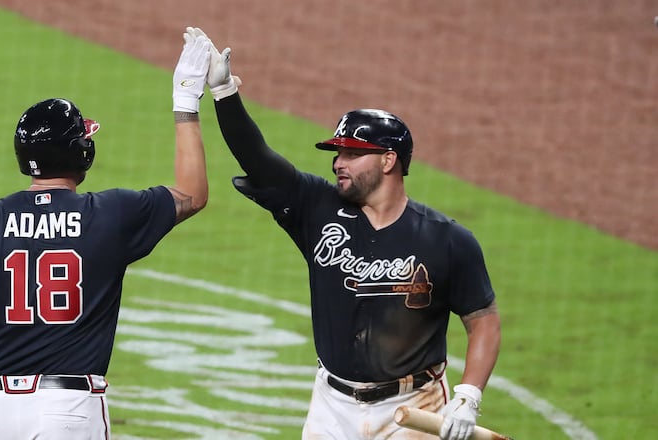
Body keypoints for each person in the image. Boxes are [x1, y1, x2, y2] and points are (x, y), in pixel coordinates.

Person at [193, 28, 502, 440]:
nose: (339, 162)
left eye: (353, 154)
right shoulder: (316, 209)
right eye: (338, 153)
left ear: (389, 160)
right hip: (331, 407)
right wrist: (225, 93)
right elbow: (259, 159)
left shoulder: (446, 240)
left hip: (414, 408)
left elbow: (483, 322)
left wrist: (468, 396)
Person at [0, 27, 212, 439]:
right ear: (81, 152)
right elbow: (193, 193)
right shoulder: (111, 214)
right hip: (69, 408)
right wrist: (185, 99)